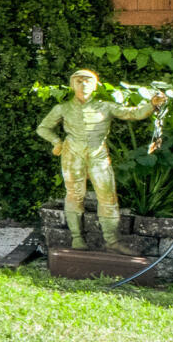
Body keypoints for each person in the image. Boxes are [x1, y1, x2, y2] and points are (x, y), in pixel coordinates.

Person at [35, 67, 163, 252]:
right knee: (74, 195)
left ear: (95, 86)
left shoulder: (105, 106)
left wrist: (152, 104)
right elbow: (43, 128)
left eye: (88, 81)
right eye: (79, 81)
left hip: (98, 155)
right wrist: (56, 142)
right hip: (72, 155)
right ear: (72, 85)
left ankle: (112, 243)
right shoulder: (62, 108)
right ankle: (77, 239)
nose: (83, 84)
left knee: (108, 197)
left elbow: (133, 113)